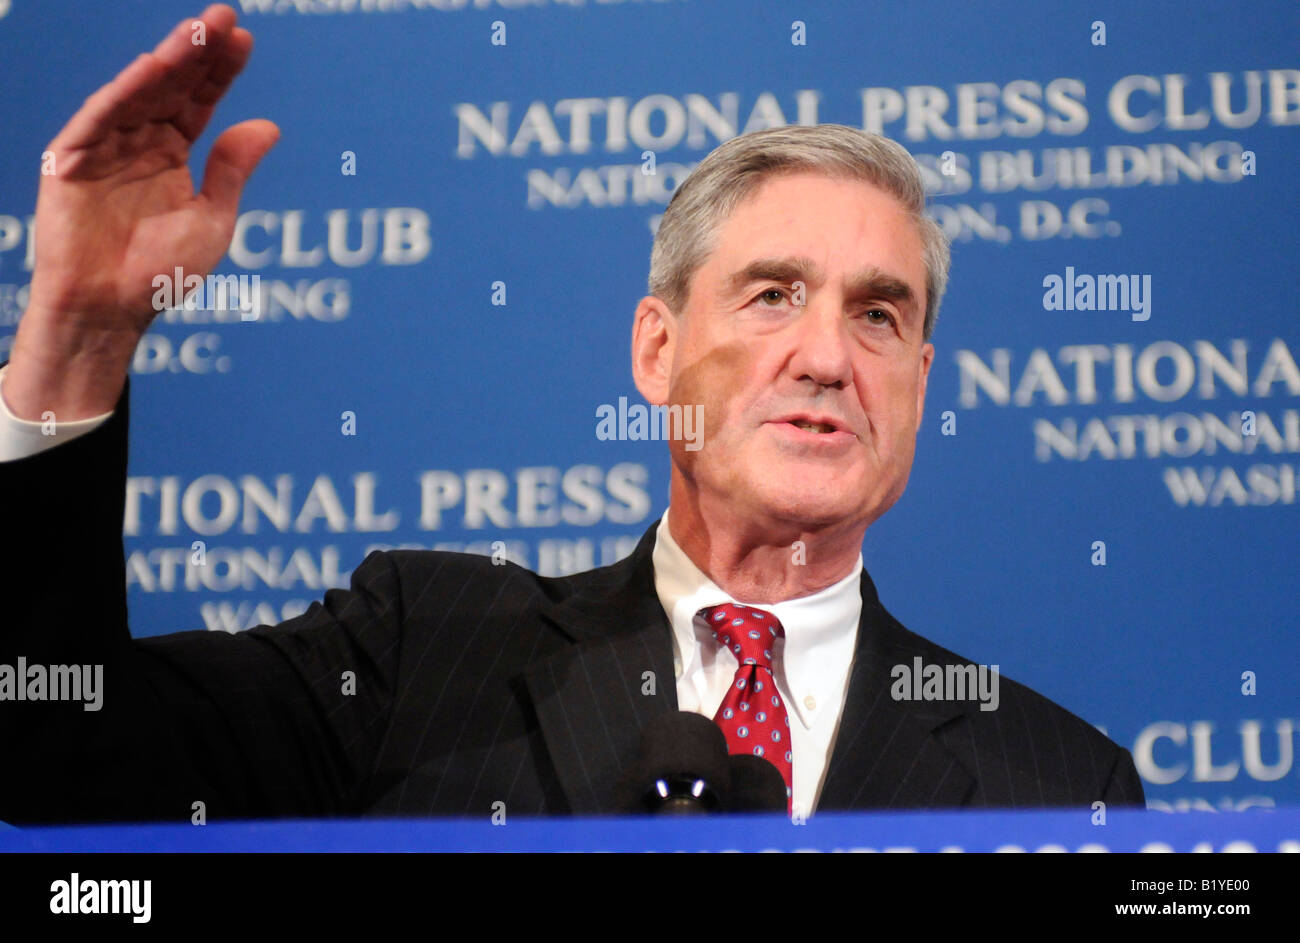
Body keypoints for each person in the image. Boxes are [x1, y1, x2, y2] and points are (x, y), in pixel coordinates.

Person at [0, 4, 1144, 824]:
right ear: (656, 350)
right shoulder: (423, 653)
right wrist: (79, 346)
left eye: (879, 316)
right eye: (772, 295)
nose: (826, 355)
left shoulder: (1056, 781)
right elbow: (66, 760)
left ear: (918, 385)